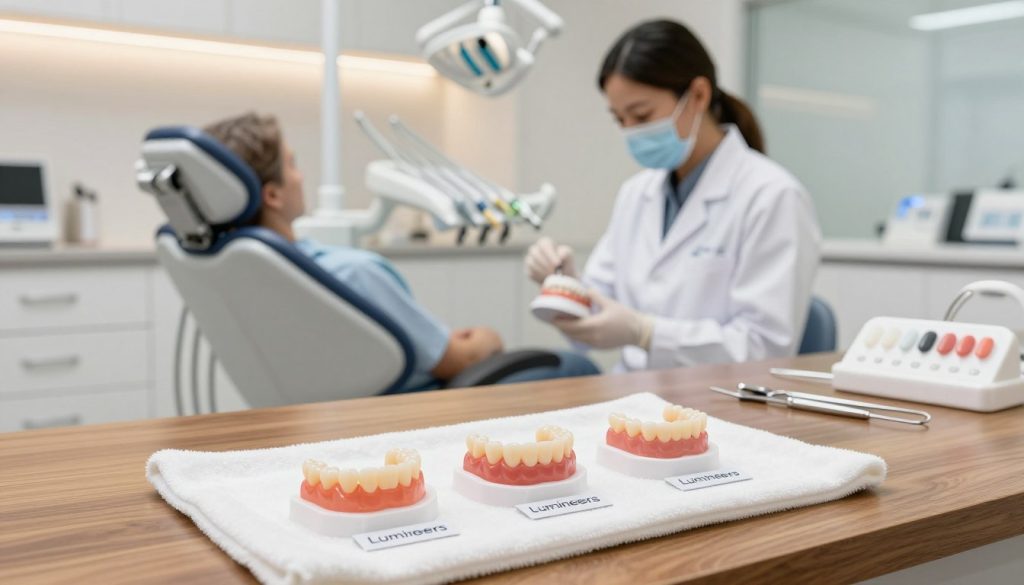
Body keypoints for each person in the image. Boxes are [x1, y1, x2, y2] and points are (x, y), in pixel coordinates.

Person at [203, 112, 597, 392]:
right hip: (411, 410)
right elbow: (457, 360)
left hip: (329, 408)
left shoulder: (235, 271)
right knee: (578, 368)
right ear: (271, 194)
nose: (300, 176)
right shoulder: (351, 273)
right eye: (292, 166)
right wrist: (487, 339)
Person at [525, 19, 821, 372]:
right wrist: (566, 288)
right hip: (635, 402)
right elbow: (591, 328)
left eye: (641, 114)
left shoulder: (772, 196)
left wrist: (647, 333)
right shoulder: (636, 195)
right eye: (620, 120)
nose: (631, 133)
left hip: (720, 404)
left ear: (698, 95)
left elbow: (763, 348)